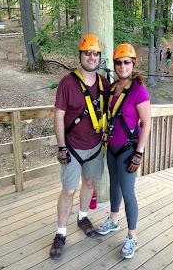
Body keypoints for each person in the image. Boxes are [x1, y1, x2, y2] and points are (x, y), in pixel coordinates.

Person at [50, 34, 110, 260]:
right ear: (80, 55)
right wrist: (61, 146)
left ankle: (82, 216)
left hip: (94, 146)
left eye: (95, 53)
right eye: (88, 53)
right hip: (72, 147)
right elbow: (59, 115)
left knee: (89, 183)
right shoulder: (68, 82)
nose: (91, 57)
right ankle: (60, 232)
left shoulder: (104, 84)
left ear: (99, 57)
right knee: (68, 189)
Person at [96, 43, 151, 259]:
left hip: (129, 149)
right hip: (112, 147)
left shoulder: (139, 90)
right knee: (114, 185)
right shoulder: (111, 89)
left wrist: (139, 152)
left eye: (126, 62)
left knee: (128, 192)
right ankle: (113, 219)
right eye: (118, 62)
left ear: (133, 64)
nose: (122, 66)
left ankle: (132, 236)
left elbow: (146, 123)